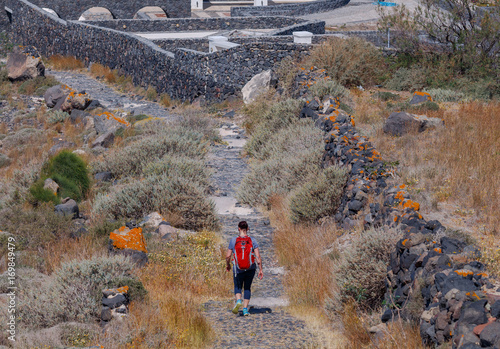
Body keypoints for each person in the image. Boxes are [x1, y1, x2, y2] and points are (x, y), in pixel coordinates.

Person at [226, 221, 263, 316]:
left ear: (238, 228)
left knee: (237, 286)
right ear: (248, 229)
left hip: (238, 268)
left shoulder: (233, 240)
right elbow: (258, 257)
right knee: (247, 287)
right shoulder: (252, 240)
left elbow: (228, 256)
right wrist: (260, 269)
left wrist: (228, 265)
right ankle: (245, 309)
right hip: (250, 268)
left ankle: (238, 300)